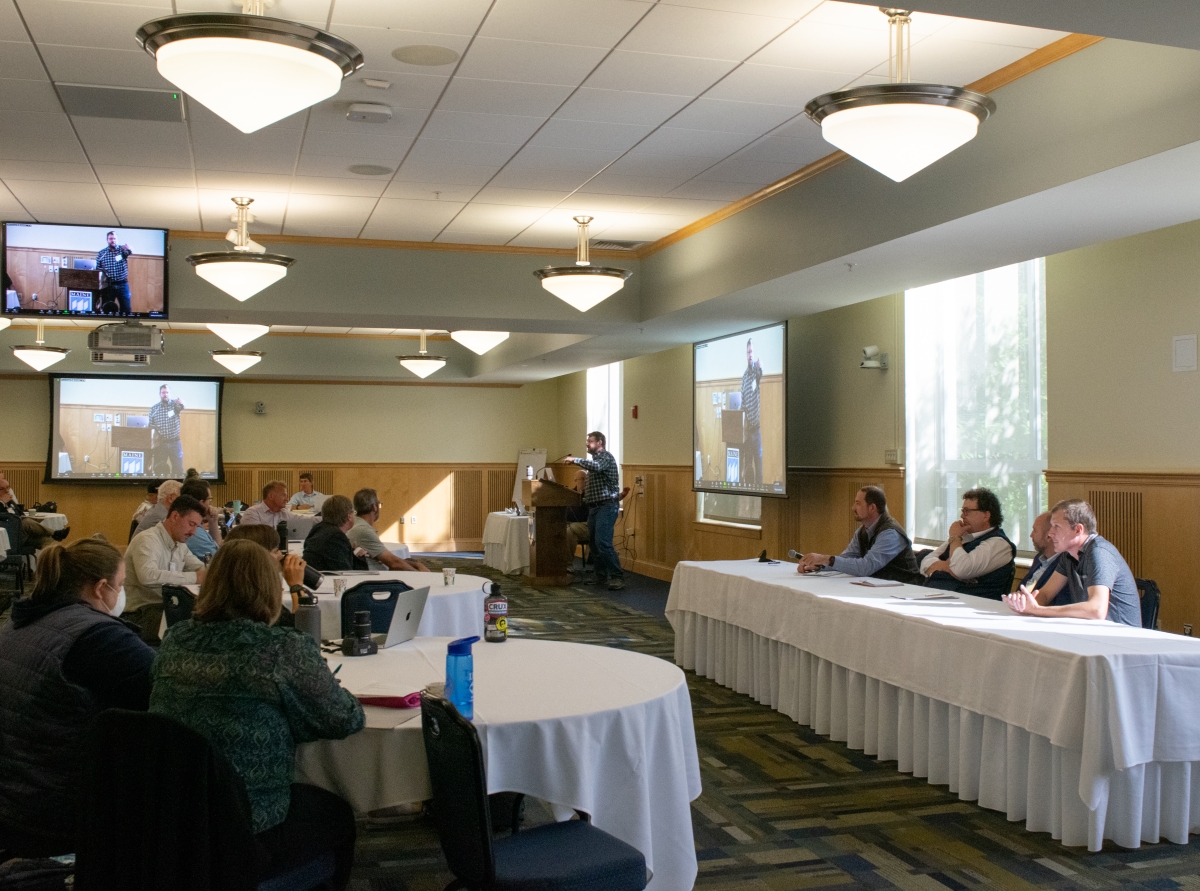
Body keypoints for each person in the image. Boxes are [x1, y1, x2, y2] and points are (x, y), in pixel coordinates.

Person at [150, 539, 363, 890]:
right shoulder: (281, 648)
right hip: (251, 825)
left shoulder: (174, 639)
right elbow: (344, 719)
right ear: (268, 588)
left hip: (173, 816)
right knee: (337, 812)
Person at [0, 539, 154, 856]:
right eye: (121, 584)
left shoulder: (16, 621)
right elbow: (163, 686)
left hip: (14, 795)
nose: (121, 593)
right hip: (55, 808)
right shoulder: (98, 637)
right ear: (100, 588)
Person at [1003, 499, 1143, 626]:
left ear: (1078, 530)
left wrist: (1039, 610)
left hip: (1120, 638)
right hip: (1093, 632)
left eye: (1056, 526)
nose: (1050, 533)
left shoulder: (1099, 552)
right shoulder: (1067, 556)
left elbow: (1097, 610)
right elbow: (1045, 595)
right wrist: (1024, 604)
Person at [124, 494, 207, 644]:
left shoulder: (179, 544)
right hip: (140, 614)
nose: (193, 532)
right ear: (175, 516)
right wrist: (196, 577)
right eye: (191, 524)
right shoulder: (147, 540)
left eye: (196, 526)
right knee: (197, 627)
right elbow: (147, 576)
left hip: (164, 608)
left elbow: (200, 568)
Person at [796, 486, 922, 583]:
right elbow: (847, 559)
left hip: (906, 589)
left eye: (858, 503)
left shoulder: (890, 534)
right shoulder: (862, 531)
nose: (853, 508)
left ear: (872, 508)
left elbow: (866, 567)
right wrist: (819, 566)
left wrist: (826, 559)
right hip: (881, 587)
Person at [920, 487, 1016, 599]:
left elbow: (960, 570)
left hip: (976, 607)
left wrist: (955, 537)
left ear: (986, 515)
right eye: (962, 511)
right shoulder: (964, 535)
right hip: (943, 598)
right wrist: (946, 566)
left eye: (967, 511)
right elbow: (925, 562)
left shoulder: (999, 544)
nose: (962, 516)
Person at [567, 431, 623, 591]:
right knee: (594, 544)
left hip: (606, 506)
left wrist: (575, 460)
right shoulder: (595, 460)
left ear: (600, 443)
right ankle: (600, 575)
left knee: (603, 543)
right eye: (587, 440)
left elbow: (596, 467)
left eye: (590, 441)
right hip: (595, 507)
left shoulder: (605, 457)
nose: (587, 443)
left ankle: (617, 576)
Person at [224, 523, 308, 623]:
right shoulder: (259, 601)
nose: (281, 555)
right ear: (261, 556)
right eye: (276, 551)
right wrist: (296, 586)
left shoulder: (226, 590)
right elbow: (302, 629)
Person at [348, 488, 430, 572]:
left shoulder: (356, 523)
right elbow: (394, 563)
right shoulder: (363, 530)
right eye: (379, 505)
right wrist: (421, 575)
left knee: (411, 561)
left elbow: (389, 559)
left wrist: (417, 565)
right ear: (374, 507)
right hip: (376, 578)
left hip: (374, 572)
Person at [302, 495, 367, 572]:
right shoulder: (336, 537)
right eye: (354, 512)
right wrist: (359, 559)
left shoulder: (318, 528)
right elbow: (346, 574)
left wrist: (351, 554)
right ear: (349, 516)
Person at [147, 384, 185, 477]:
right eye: (163, 392)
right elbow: (150, 425)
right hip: (161, 443)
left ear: (170, 393)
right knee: (159, 469)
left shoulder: (175, 405)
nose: (165, 394)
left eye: (167, 392)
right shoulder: (154, 408)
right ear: (160, 394)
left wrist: (181, 402)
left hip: (175, 442)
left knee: (178, 469)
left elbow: (182, 406)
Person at [1022, 510, 1063, 594]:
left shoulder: (1064, 564)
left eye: (1035, 530)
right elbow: (1023, 587)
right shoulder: (1038, 559)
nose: (1031, 535)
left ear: (1048, 536)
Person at [740, 337, 763, 487]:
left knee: (759, 468)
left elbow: (760, 374)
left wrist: (759, 367)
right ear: (746, 354)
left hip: (757, 431)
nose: (750, 354)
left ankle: (760, 500)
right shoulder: (744, 378)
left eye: (752, 351)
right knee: (748, 468)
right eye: (748, 352)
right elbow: (742, 403)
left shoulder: (756, 372)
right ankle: (748, 503)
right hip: (747, 433)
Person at [181, 479, 222, 562]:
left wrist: (213, 522)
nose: (210, 503)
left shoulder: (195, 524)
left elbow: (217, 545)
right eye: (209, 499)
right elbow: (218, 562)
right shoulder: (194, 532)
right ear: (201, 503)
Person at [95, 230, 132, 315]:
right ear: (107, 240)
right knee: (107, 309)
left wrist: (129, 248)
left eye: (114, 238)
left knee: (126, 309)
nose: (113, 240)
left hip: (123, 284)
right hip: (108, 285)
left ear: (117, 239)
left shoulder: (122, 250)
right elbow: (98, 268)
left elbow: (131, 251)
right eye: (111, 238)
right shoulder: (102, 253)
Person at [565, 469, 591, 572]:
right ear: (575, 480)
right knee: (565, 531)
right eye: (581, 479)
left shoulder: (590, 494)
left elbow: (586, 514)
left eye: (586, 479)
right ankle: (557, 564)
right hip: (572, 525)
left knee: (569, 530)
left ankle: (568, 564)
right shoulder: (570, 494)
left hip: (587, 525)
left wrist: (582, 495)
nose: (584, 481)